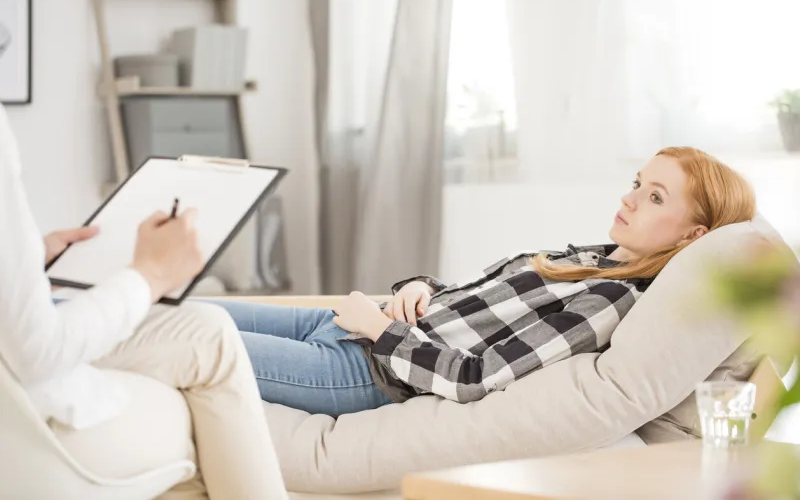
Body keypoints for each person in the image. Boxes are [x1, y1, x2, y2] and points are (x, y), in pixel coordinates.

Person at [203, 146, 757, 417]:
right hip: (355, 325)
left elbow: (477, 375)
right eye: (637, 182)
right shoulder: (595, 258)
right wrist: (422, 287)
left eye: (654, 197)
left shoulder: (612, 299)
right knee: (181, 311)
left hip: (362, 369)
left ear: (692, 236)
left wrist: (378, 330)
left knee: (188, 341)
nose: (628, 197)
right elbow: (477, 307)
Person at [0, 106, 288, 500]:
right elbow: (37, 353)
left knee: (208, 327)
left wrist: (25, 265)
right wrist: (150, 275)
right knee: (211, 358)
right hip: (22, 419)